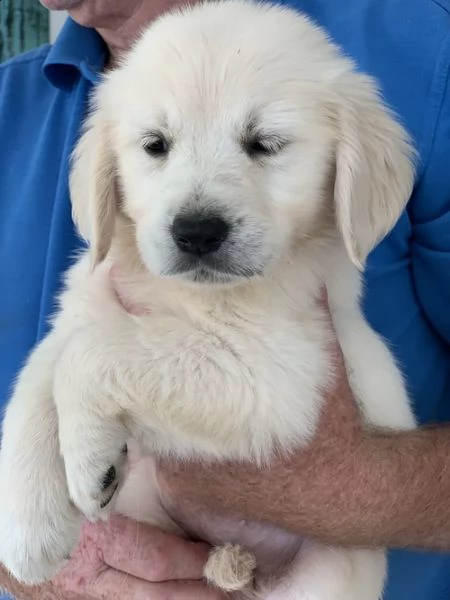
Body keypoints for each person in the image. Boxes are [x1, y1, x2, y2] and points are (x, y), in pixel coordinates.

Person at [0, 0, 449, 598]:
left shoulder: (418, 47)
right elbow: (61, 364)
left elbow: (271, 403)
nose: (196, 217)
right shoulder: (17, 100)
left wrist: (356, 483)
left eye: (265, 144)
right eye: (155, 146)